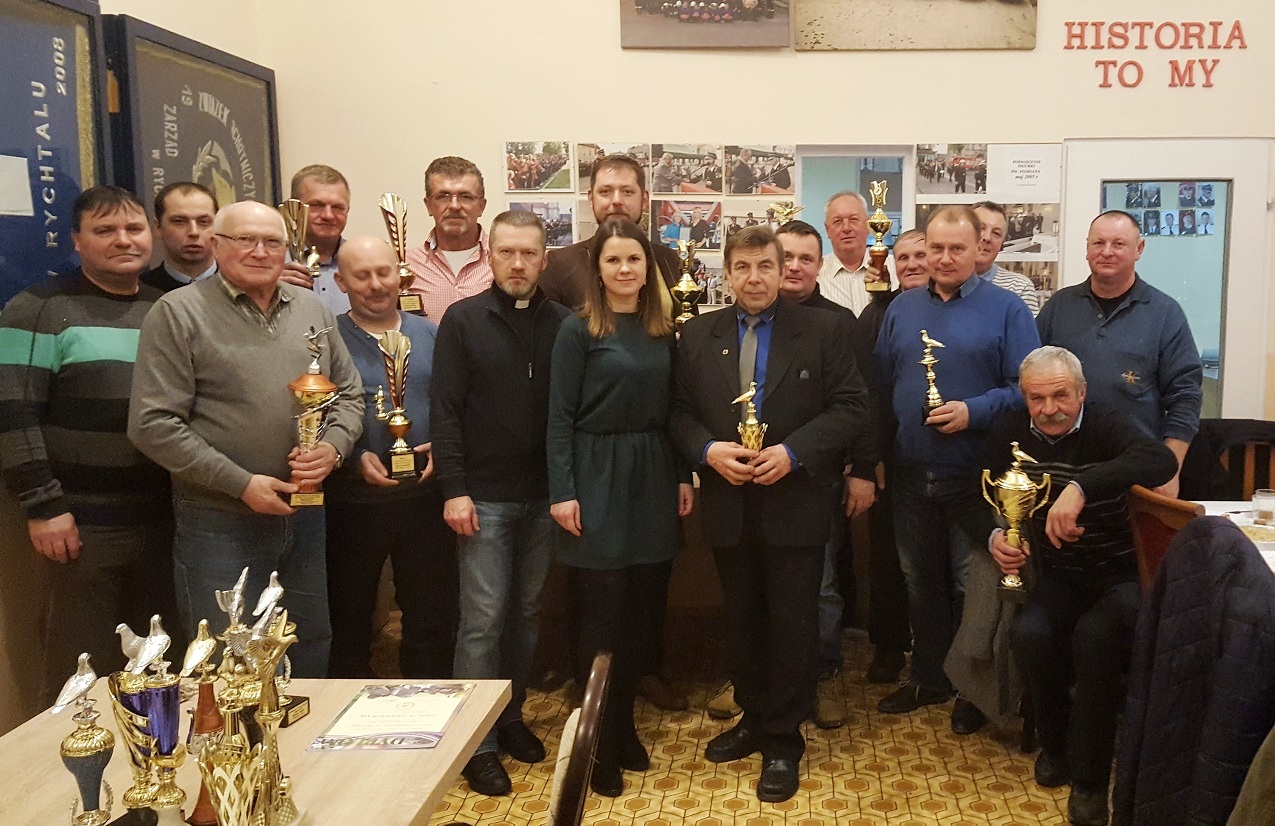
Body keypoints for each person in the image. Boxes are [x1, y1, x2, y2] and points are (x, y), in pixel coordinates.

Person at [669, 225, 867, 803]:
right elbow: (677, 412)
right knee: (742, 618)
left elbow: (852, 406)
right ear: (727, 274)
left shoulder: (825, 330)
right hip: (728, 500)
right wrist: (709, 451)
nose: (754, 278)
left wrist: (794, 453)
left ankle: (783, 738)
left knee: (792, 623)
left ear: (783, 272)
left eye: (765, 267)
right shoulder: (697, 333)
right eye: (743, 267)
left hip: (796, 499)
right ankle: (753, 717)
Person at [128, 200, 364, 678]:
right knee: (227, 653)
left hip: (304, 513)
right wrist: (240, 483)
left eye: (272, 242)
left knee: (306, 641)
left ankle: (302, 729)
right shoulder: (178, 312)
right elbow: (152, 424)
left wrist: (332, 449)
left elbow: (349, 394)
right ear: (216, 246)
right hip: (219, 519)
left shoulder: (312, 308)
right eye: (245, 240)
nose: (260, 251)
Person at [979, 346, 1177, 826]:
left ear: (1082, 393)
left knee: (1095, 640)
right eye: (1036, 398)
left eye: (1061, 396)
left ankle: (1089, 782)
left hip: (1120, 575)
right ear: (1024, 398)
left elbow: (1159, 461)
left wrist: (1081, 486)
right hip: (1061, 575)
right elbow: (976, 491)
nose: (1049, 409)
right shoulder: (1009, 430)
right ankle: (1056, 748)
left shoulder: (1108, 423)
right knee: (1029, 634)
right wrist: (995, 536)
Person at [0, 186, 177, 707]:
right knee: (79, 667)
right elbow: (13, 413)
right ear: (77, 240)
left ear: (151, 236)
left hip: (164, 522)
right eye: (105, 230)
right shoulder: (37, 307)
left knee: (155, 667)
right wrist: (43, 506)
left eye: (133, 229)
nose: (123, 240)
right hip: (80, 527)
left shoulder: (166, 309)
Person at [874, 205, 1040, 732]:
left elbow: (1027, 390)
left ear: (978, 249)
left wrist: (974, 410)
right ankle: (929, 677)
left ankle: (975, 689)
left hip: (978, 478)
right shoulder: (902, 309)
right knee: (918, 581)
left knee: (975, 587)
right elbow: (881, 385)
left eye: (956, 249)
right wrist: (874, 455)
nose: (944, 259)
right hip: (909, 472)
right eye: (935, 249)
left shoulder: (1008, 309)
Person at [547, 218, 693, 796]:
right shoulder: (578, 329)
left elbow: (674, 410)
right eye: (613, 260)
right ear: (598, 268)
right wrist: (563, 490)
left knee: (640, 614)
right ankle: (597, 743)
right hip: (595, 474)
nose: (625, 268)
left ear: (647, 266)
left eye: (634, 259)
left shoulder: (662, 329)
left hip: (652, 474)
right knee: (602, 617)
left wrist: (680, 475)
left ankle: (626, 726)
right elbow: (559, 417)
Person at [430, 210, 570, 796]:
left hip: (544, 498)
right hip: (482, 497)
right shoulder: (463, 320)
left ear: (544, 259)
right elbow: (445, 411)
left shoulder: (565, 324)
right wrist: (454, 489)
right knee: (483, 621)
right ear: (490, 255)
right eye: (507, 252)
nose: (518, 263)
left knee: (527, 614)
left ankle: (508, 716)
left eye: (528, 254)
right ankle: (476, 742)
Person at [774, 219, 909, 726]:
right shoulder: (746, 320)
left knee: (824, 582)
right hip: (756, 474)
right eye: (785, 257)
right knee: (761, 580)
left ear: (820, 265)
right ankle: (758, 675)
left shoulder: (839, 324)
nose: (794, 267)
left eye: (805, 259)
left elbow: (864, 401)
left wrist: (863, 468)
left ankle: (823, 673)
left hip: (821, 475)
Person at [324, 237, 457, 680]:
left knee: (431, 615)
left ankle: (429, 702)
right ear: (341, 282)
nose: (376, 284)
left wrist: (442, 445)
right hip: (352, 503)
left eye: (383, 272)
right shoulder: (327, 340)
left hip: (425, 500)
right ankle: (346, 704)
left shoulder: (430, 334)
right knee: (349, 617)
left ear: (398, 275)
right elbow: (311, 416)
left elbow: (451, 404)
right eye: (362, 276)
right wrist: (353, 456)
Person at [1037, 210, 1202, 498]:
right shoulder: (1059, 307)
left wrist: (1169, 468)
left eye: (1118, 244)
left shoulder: (1165, 313)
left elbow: (1185, 397)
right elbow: (1031, 382)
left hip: (1136, 473)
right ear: (1087, 248)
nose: (1107, 252)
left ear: (1139, 249)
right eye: (1098, 243)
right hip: (1062, 468)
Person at [540, 155, 679, 310]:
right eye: (605, 192)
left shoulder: (668, 259)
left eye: (627, 191)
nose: (616, 201)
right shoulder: (558, 264)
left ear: (644, 200)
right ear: (591, 199)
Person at [405, 156, 494, 322]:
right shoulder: (406, 265)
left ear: (481, 206)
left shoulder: (503, 261)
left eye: (465, 196)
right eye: (443, 196)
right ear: (429, 205)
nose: (454, 206)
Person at [282, 164, 354, 316]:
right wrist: (265, 291)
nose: (328, 215)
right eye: (316, 205)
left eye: (337, 207)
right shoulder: (271, 263)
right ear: (294, 207)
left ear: (347, 210)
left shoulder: (362, 262)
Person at [818, 191, 891, 315]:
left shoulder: (894, 268)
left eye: (853, 219)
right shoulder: (816, 274)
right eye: (837, 221)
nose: (846, 228)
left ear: (868, 225)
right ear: (827, 229)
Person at [143, 182, 219, 292]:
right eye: (179, 221)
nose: (193, 232)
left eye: (203, 222)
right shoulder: (143, 291)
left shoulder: (241, 286)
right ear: (158, 227)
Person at [972, 202, 1042, 315]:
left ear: (1002, 243)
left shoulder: (1019, 287)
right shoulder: (944, 282)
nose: (987, 238)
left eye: (996, 233)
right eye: (980, 228)